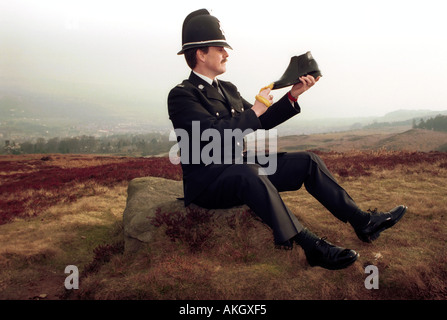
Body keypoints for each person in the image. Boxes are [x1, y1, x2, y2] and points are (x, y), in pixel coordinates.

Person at [167, 9, 407, 270]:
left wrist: (293, 96)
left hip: (240, 170)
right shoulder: (182, 95)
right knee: (250, 171)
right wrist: (255, 110)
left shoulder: (228, 89)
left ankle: (363, 221)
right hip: (208, 183)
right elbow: (210, 133)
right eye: (220, 48)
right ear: (201, 54)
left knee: (308, 162)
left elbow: (262, 120)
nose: (226, 53)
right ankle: (311, 246)